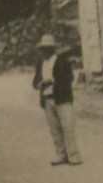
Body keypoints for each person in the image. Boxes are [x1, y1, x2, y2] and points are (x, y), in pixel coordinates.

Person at [32, 33, 82, 166]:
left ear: (53, 48)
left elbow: (69, 78)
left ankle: (73, 155)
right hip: (47, 99)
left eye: (48, 48)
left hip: (62, 98)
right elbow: (35, 82)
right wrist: (40, 84)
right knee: (54, 129)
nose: (45, 51)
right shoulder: (41, 63)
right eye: (43, 49)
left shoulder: (61, 61)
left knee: (68, 127)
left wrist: (53, 81)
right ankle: (60, 155)